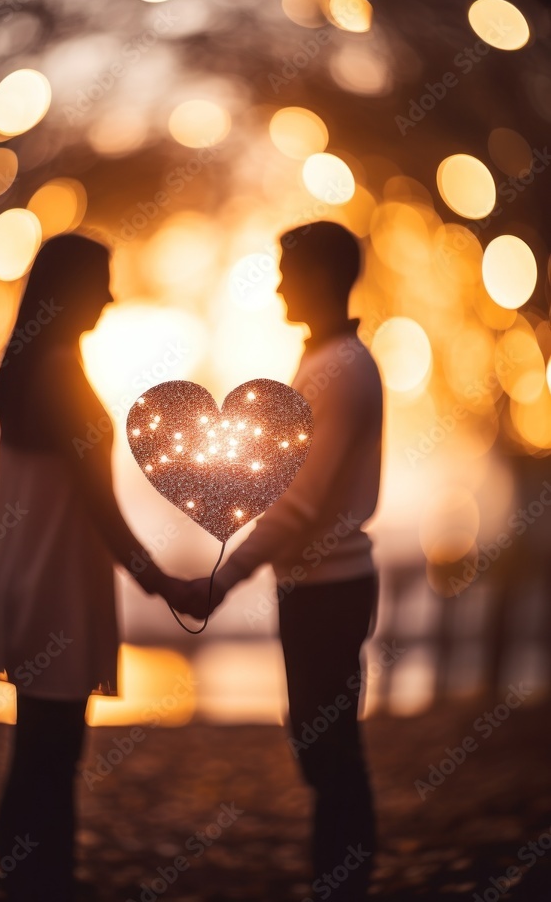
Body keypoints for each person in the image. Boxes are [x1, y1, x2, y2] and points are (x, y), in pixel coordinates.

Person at [0, 234, 195, 902]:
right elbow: (100, 507)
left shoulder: (25, 370)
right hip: (56, 589)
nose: (110, 296)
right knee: (53, 755)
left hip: (25, 578)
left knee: (35, 748)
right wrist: (162, 581)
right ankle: (42, 882)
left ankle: (26, 877)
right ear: (69, 291)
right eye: (100, 282)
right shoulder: (61, 374)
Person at [187, 221, 383, 900]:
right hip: (315, 586)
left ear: (321, 278)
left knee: (325, 747)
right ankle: (341, 872)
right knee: (316, 741)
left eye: (286, 270)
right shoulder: (327, 362)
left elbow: (299, 505)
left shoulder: (341, 370)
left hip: (330, 589)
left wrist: (225, 575)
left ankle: (343, 877)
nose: (276, 284)